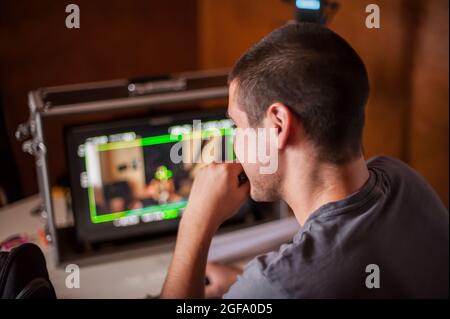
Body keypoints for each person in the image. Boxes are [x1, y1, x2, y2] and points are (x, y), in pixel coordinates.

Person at [160, 22, 449, 299]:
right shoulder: (403, 178)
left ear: (278, 124)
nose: (235, 143)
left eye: (238, 126)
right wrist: (240, 283)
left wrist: (195, 220)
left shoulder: (276, 282)